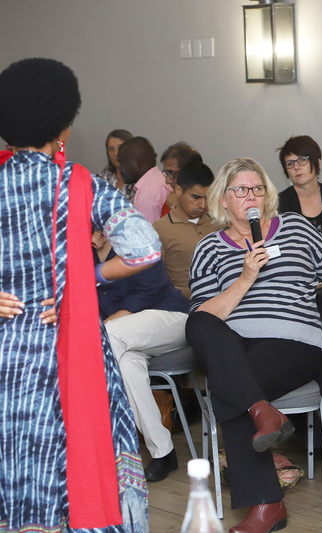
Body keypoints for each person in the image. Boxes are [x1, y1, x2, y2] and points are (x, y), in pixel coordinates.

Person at [0, 58, 157, 532]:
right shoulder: (79, 184)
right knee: (71, 460)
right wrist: (81, 282)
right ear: (64, 126)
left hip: (7, 353)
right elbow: (145, 248)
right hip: (64, 347)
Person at [185, 157, 322, 533]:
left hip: (293, 340)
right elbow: (206, 317)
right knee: (198, 326)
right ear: (223, 200)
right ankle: (262, 412)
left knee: (228, 389)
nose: (250, 196)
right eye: (240, 190)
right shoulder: (208, 248)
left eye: (257, 188)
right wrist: (244, 278)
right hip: (235, 343)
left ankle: (266, 505)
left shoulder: (297, 229)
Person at [93, 229, 189, 482]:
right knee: (126, 367)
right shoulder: (82, 257)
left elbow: (152, 288)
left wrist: (111, 320)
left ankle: (101, 444)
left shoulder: (133, 241)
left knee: (106, 336)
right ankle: (164, 452)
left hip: (169, 318)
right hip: (126, 337)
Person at [153, 161, 221, 299]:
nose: (202, 205)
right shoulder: (160, 229)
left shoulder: (218, 224)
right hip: (182, 305)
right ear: (178, 191)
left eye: (207, 198)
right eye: (196, 197)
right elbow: (156, 282)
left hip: (224, 301)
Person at [117, 136, 170, 223]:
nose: (120, 169)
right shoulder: (160, 179)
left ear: (139, 163)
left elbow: (147, 235)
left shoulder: (147, 193)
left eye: (122, 163)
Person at [159, 141, 203, 217]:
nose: (167, 181)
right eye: (166, 173)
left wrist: (178, 208)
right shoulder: (172, 198)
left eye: (171, 173)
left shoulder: (213, 202)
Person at [98, 128, 134, 201]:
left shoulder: (140, 180)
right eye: (111, 149)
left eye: (120, 147)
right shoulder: (103, 177)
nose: (116, 153)